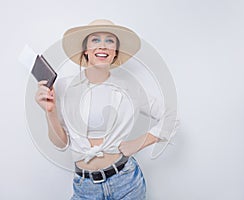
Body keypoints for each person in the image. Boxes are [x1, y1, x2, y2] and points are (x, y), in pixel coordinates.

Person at [35, 19, 173, 200]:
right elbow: (60, 143)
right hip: (85, 189)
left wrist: (138, 142)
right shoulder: (64, 87)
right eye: (95, 40)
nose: (103, 46)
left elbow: (171, 116)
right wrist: (50, 112)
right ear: (85, 50)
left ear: (115, 52)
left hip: (127, 184)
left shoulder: (130, 87)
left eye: (109, 41)